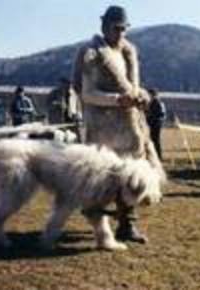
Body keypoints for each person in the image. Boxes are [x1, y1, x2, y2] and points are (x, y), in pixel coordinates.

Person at [72, 5, 165, 244]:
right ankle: (100, 228)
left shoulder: (128, 53)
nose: (121, 33)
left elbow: (132, 88)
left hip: (131, 130)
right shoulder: (91, 53)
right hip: (104, 130)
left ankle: (127, 225)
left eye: (124, 28)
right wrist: (117, 100)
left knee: (132, 177)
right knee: (103, 180)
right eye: (117, 28)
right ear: (104, 26)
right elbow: (86, 93)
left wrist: (141, 96)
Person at [146, 88, 166, 160]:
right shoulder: (153, 103)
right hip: (153, 124)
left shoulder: (157, 103)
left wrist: (152, 119)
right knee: (153, 140)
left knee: (155, 140)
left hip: (156, 124)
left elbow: (160, 115)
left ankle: (158, 156)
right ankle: (155, 156)